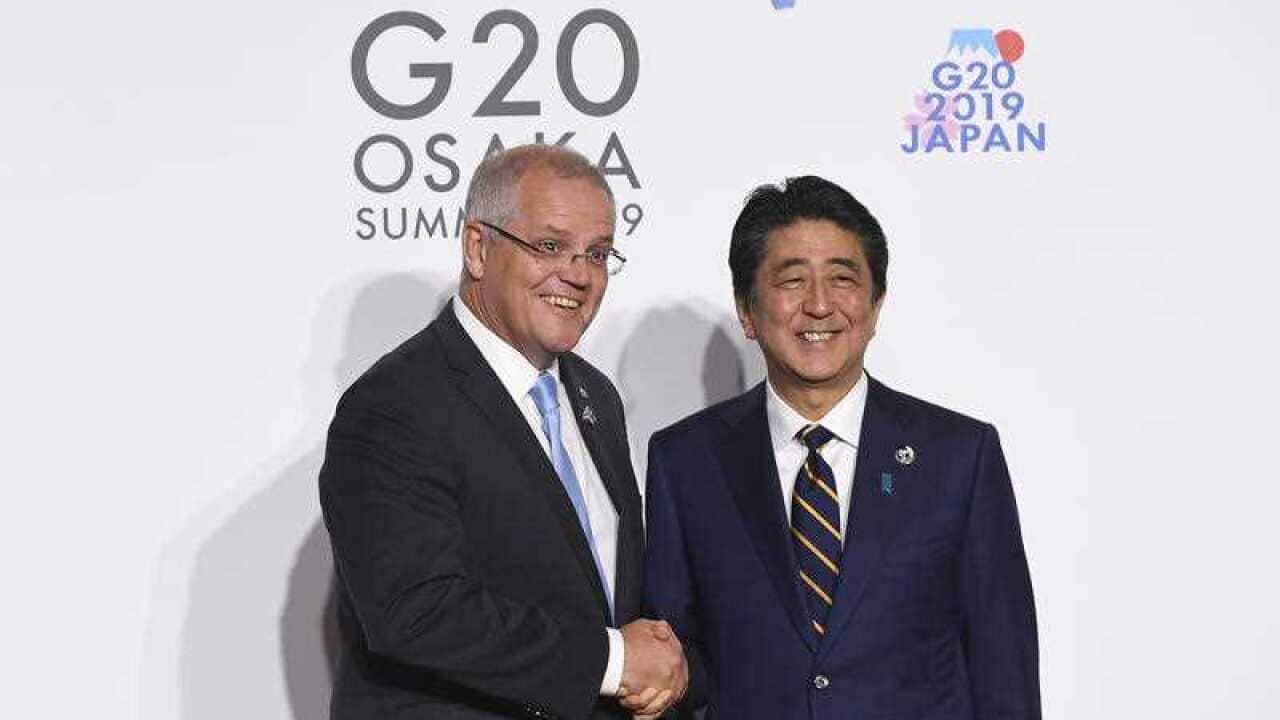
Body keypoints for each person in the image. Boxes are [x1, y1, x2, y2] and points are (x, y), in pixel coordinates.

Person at [644, 176, 1040, 719]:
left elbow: (1004, 669)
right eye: (791, 281)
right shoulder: (685, 461)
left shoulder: (959, 457)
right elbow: (676, 666)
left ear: (875, 306)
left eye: (843, 279)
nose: (820, 305)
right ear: (747, 309)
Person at [319, 145, 686, 720]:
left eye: (597, 253)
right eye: (549, 246)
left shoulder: (595, 396)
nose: (579, 274)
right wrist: (614, 661)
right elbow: (416, 610)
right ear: (477, 248)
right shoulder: (394, 405)